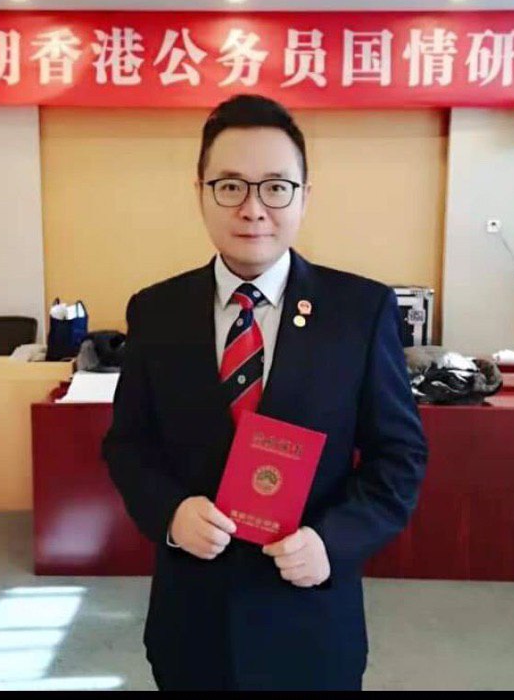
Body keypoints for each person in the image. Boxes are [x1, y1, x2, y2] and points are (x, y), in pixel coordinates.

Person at [101, 94, 428, 691]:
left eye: (276, 187)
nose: (253, 209)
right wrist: (170, 514)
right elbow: (129, 444)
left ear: (305, 196)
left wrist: (334, 542)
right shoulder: (157, 310)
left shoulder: (359, 311)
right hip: (191, 617)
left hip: (309, 618)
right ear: (200, 192)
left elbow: (399, 456)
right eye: (230, 186)